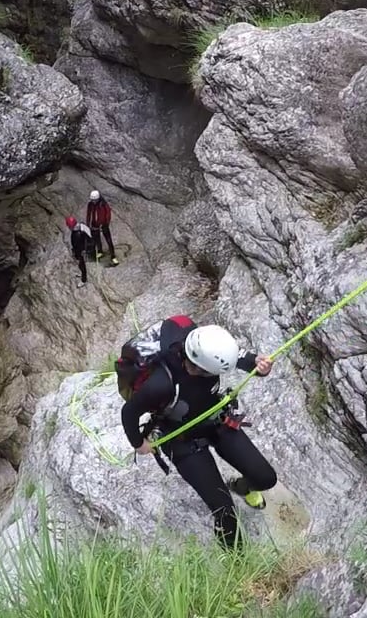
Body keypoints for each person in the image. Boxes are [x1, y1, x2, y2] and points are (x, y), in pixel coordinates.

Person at [120, 317, 277, 549]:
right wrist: (139, 443)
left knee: (266, 478)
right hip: (182, 442)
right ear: (199, 366)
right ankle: (238, 564)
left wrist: (258, 364)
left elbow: (240, 358)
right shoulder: (161, 384)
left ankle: (241, 486)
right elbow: (129, 412)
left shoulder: (204, 344)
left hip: (216, 421)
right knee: (225, 513)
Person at [86, 189, 118, 266]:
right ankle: (100, 251)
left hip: (104, 225)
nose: (93, 202)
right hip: (94, 225)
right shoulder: (90, 204)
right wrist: (88, 224)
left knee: (109, 240)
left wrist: (105, 224)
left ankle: (113, 256)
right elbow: (89, 214)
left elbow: (108, 214)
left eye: (94, 200)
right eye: (92, 200)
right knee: (97, 239)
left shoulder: (103, 204)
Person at [65, 215, 93, 285]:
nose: (69, 228)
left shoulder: (79, 233)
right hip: (81, 247)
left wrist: (83, 251)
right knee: (80, 263)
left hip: (82, 249)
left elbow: (86, 241)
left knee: (82, 263)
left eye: (69, 226)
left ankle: (84, 280)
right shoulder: (82, 227)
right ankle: (82, 273)